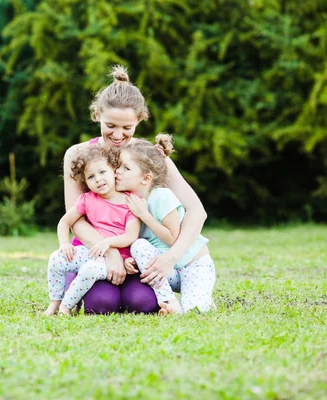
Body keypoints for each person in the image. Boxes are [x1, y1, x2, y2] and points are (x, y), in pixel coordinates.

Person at [63, 65, 208, 314]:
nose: (118, 135)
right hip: (94, 252)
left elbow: (196, 210)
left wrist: (171, 258)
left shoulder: (148, 156)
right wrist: (110, 254)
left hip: (135, 258)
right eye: (110, 125)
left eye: (127, 128)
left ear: (139, 120)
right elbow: (76, 220)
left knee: (143, 303)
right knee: (100, 304)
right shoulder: (78, 154)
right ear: (96, 114)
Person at [118, 135, 216, 313]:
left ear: (146, 179)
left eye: (126, 168)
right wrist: (130, 260)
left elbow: (173, 238)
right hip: (165, 270)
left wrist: (145, 216)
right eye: (119, 166)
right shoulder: (129, 201)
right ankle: (169, 302)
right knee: (139, 245)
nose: (117, 171)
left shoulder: (161, 196)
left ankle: (202, 298)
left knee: (194, 310)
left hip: (192, 265)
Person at [45, 145, 140, 316]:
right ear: (85, 182)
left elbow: (131, 235)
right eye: (91, 176)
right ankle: (54, 303)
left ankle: (65, 308)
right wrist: (64, 243)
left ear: (114, 171)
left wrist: (107, 243)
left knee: (89, 270)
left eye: (102, 172)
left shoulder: (130, 201)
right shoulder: (87, 199)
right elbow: (64, 222)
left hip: (116, 260)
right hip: (91, 252)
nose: (98, 179)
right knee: (56, 259)